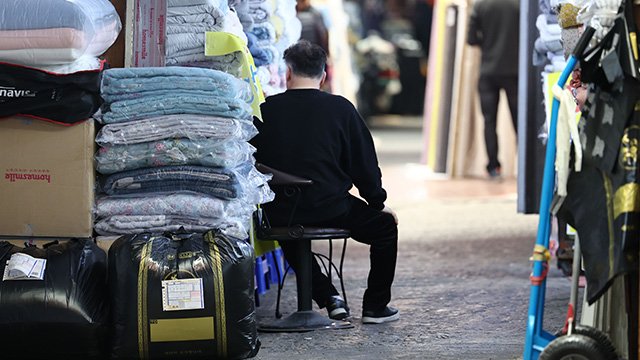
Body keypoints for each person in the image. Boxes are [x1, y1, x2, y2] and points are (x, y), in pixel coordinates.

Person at [251, 40, 400, 324]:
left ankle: (328, 296)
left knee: (289, 231)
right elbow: (364, 164)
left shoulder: (264, 111)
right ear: (324, 76)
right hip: (332, 208)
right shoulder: (341, 109)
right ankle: (375, 308)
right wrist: (377, 202)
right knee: (385, 230)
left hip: (279, 211)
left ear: (288, 73)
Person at [467, 0, 520, 180]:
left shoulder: (481, 5)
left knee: (489, 121)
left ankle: (493, 167)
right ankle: (524, 164)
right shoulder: (520, 4)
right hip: (514, 69)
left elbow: (471, 38)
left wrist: (487, 42)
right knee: (519, 120)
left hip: (488, 70)